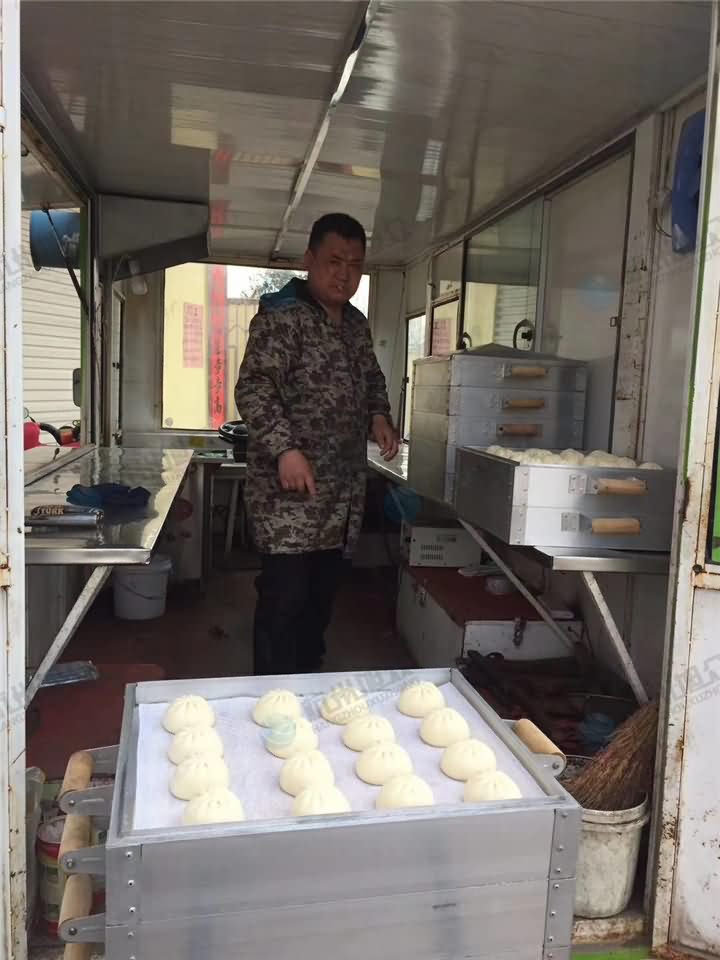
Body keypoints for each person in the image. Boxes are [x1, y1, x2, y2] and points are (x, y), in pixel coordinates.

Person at [235, 213, 398, 675]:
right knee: (284, 604)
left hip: (339, 500)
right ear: (309, 259)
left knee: (319, 604)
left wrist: (379, 415)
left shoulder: (355, 325)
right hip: (288, 503)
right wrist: (285, 449)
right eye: (334, 261)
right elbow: (254, 388)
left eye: (355, 264)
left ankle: (308, 690)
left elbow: (372, 378)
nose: (344, 274)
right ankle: (271, 698)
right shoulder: (282, 317)